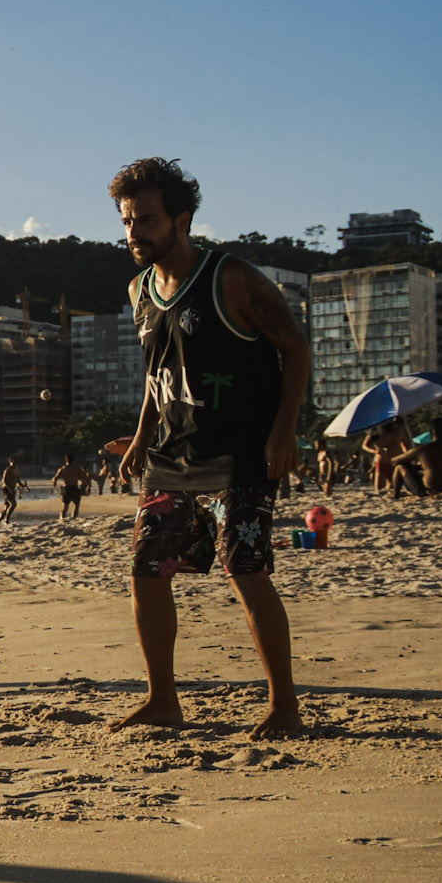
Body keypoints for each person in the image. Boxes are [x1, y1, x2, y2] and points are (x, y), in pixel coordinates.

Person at [110, 157, 308, 740]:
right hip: (172, 457)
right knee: (146, 573)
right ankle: (163, 699)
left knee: (245, 571)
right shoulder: (138, 289)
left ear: (182, 218)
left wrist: (284, 429)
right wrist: (142, 437)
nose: (134, 232)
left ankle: (284, 705)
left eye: (146, 219)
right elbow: (156, 373)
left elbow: (294, 349)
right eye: (127, 222)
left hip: (238, 453)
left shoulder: (234, 279)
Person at [391, 417, 442, 497]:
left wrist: (412, 463)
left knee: (399, 467)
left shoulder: (423, 449)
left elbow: (393, 461)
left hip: (428, 490)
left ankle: (395, 494)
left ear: (431, 431)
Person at [52, 452, 91, 521]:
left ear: (66, 460)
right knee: (76, 505)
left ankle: (62, 519)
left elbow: (55, 478)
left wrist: (55, 485)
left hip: (66, 488)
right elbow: (83, 478)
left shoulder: (63, 469)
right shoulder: (77, 469)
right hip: (74, 488)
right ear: (73, 460)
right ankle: (74, 518)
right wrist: (88, 486)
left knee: (65, 506)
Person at [0, 457, 23, 523]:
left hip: (12, 490)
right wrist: (9, 489)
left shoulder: (16, 470)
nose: (15, 464)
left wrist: (25, 487)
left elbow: (18, 481)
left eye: (16, 463)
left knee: (6, 506)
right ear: (10, 462)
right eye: (13, 462)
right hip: (6, 490)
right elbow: (4, 481)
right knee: (13, 504)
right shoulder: (7, 470)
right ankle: (7, 519)